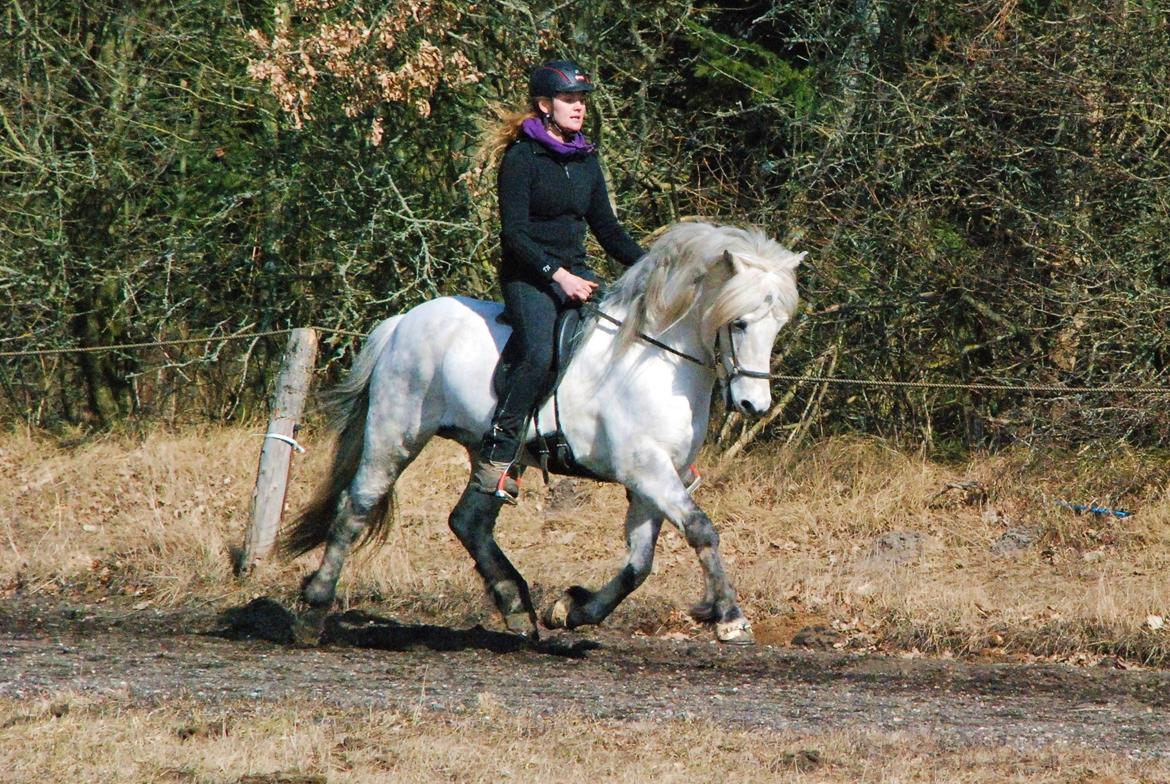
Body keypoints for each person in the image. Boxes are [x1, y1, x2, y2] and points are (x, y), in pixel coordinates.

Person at [472, 59, 645, 502]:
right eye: (570, 99)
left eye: (582, 100)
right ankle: (498, 455)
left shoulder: (586, 159)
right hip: (529, 275)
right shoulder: (521, 159)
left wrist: (652, 266)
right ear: (545, 105)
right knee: (539, 352)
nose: (579, 107)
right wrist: (558, 275)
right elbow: (514, 235)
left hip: (577, 273)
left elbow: (608, 230)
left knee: (622, 338)